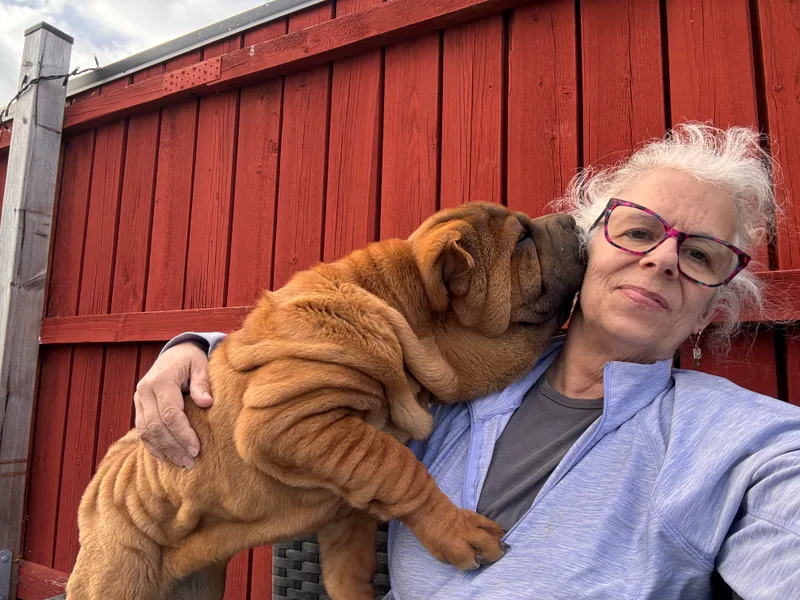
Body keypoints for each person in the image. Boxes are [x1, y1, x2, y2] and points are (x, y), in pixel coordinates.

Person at [133, 123, 800, 599]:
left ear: (714, 303)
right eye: (639, 230)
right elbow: (333, 347)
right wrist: (195, 349)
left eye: (700, 254)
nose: (661, 259)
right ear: (589, 247)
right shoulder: (473, 379)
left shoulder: (747, 443)